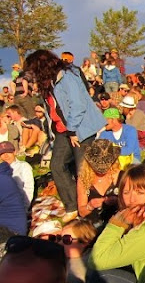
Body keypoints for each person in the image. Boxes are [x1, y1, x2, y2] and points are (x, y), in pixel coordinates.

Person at [24, 50, 106, 223]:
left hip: (80, 128)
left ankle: (91, 212)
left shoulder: (67, 76)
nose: (32, 76)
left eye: (33, 71)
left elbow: (78, 105)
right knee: (57, 165)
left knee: (82, 171)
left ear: (41, 66)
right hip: (62, 130)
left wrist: (73, 131)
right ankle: (72, 206)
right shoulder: (48, 83)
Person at [76, 139, 122, 227]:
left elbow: (131, 204)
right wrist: (90, 206)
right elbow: (82, 212)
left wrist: (117, 201)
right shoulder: (83, 178)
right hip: (92, 224)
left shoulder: (119, 175)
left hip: (116, 224)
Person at [0, 140, 34, 210]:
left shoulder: (23, 166)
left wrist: (24, 207)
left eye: (8, 152)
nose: (6, 156)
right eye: (2, 153)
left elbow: (28, 188)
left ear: (14, 152)